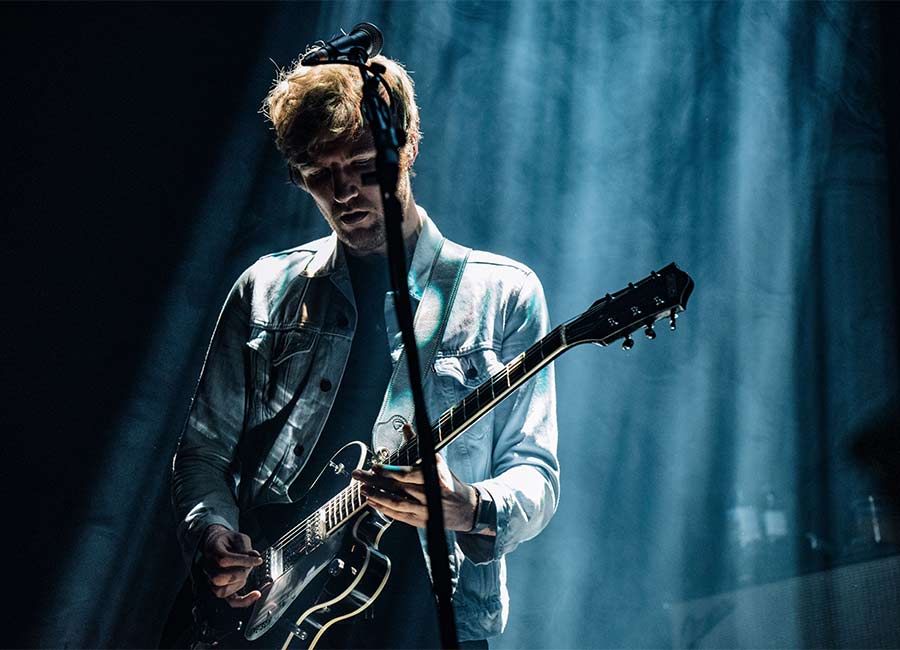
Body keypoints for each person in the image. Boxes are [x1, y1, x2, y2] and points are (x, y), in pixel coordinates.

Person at [171, 52, 559, 648]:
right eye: (319, 173)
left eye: (361, 164)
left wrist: (465, 505)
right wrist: (213, 533)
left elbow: (535, 474)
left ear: (404, 148)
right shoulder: (266, 288)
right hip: (271, 614)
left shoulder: (503, 294)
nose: (345, 190)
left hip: (429, 617)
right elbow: (202, 451)